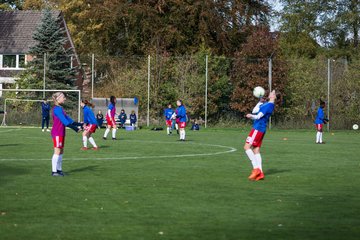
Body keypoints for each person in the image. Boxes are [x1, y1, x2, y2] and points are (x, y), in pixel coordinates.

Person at [244, 90, 277, 181]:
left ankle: (256, 169)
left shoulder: (269, 105)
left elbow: (258, 116)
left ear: (274, 97)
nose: (271, 93)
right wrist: (260, 101)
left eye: (273, 93)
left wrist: (251, 116)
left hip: (258, 128)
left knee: (246, 147)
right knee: (256, 149)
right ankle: (260, 173)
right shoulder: (266, 104)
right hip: (260, 129)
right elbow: (255, 110)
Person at [50, 92, 83, 177]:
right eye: (63, 97)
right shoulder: (57, 109)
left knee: (61, 151)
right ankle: (54, 171)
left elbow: (70, 121)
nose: (64, 99)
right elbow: (65, 122)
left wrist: (81, 124)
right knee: (57, 151)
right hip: (57, 132)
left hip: (61, 132)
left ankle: (59, 170)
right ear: (58, 99)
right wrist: (76, 129)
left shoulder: (60, 108)